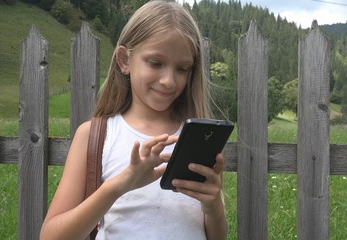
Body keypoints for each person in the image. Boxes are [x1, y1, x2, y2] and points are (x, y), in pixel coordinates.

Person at [40, 1, 228, 239]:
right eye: (155, 63)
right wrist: (120, 185)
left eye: (182, 68)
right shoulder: (95, 135)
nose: (169, 80)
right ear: (124, 60)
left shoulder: (200, 141)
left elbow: (216, 235)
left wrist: (214, 208)